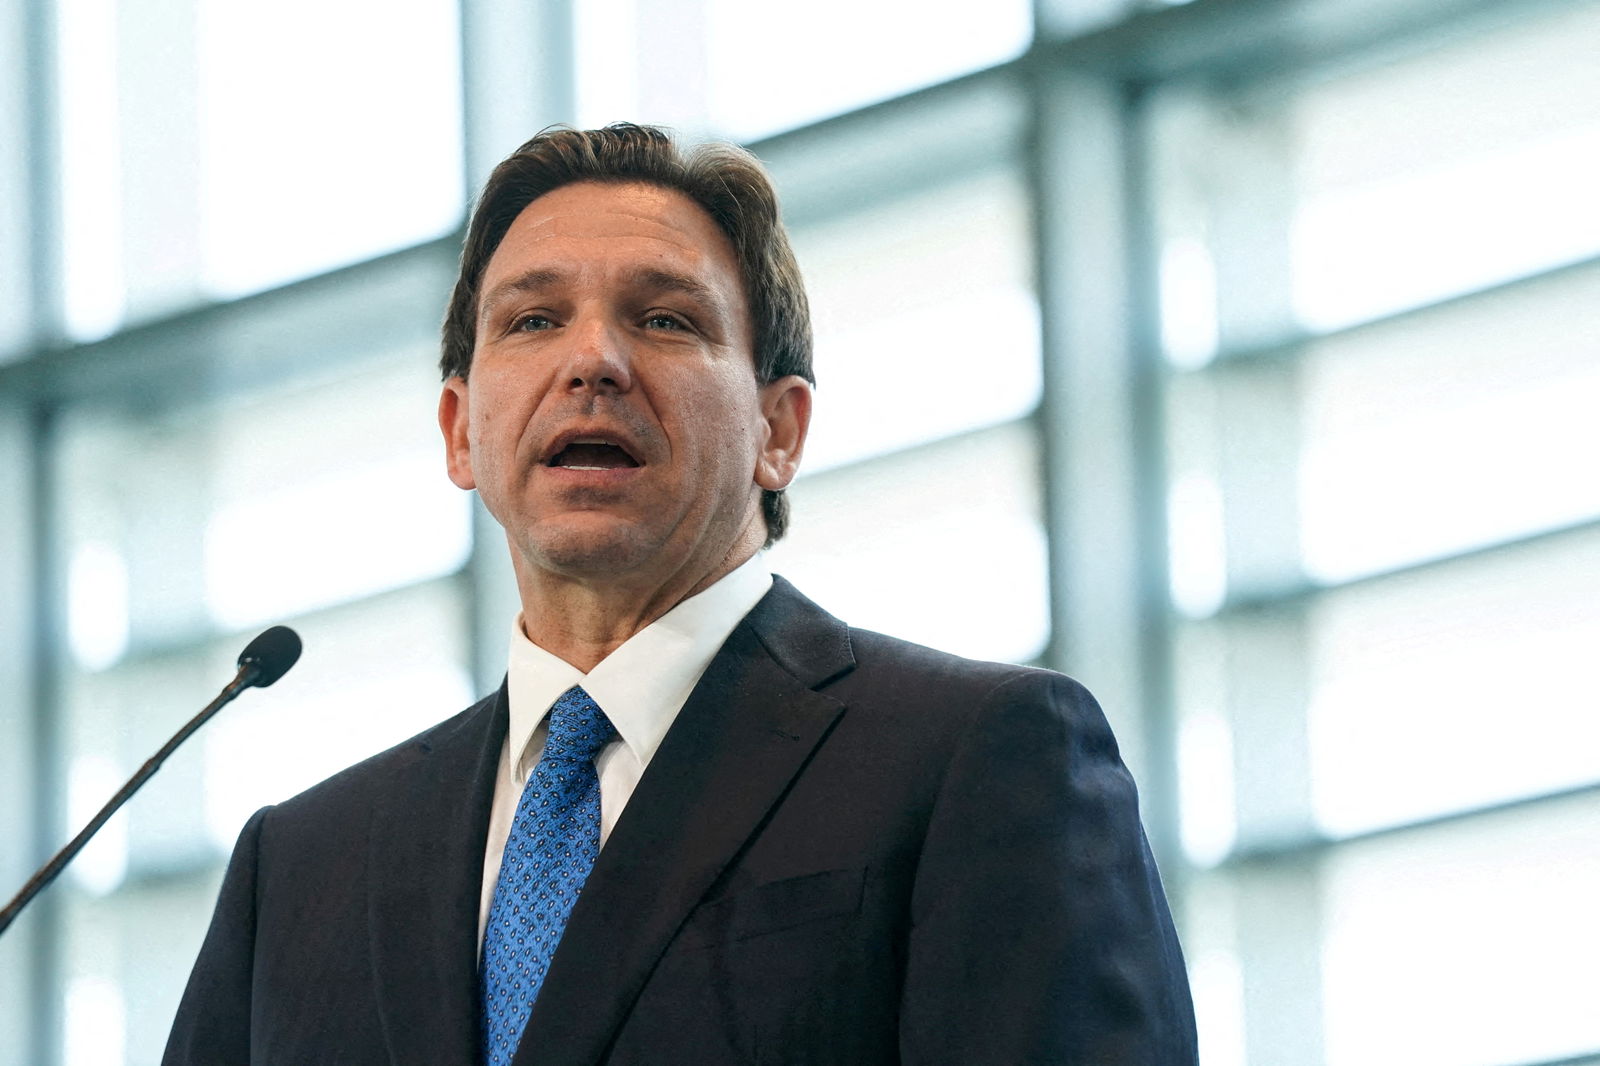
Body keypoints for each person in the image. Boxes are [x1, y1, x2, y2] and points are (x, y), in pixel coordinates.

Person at [163, 123, 1198, 1065]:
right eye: (531, 319)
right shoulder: (299, 869)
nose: (594, 361)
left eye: (662, 318)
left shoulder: (978, 756)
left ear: (778, 430)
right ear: (458, 430)